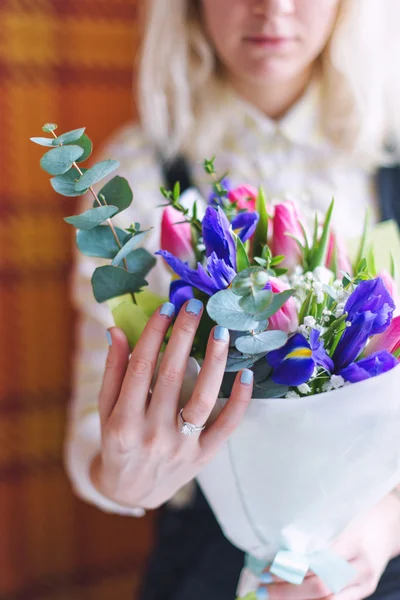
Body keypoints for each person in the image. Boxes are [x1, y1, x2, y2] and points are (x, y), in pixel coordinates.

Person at [64, 1, 400, 598]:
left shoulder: (387, 156)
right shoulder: (137, 174)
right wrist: (124, 476)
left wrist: (380, 530)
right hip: (206, 552)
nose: (273, 9)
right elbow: (95, 421)